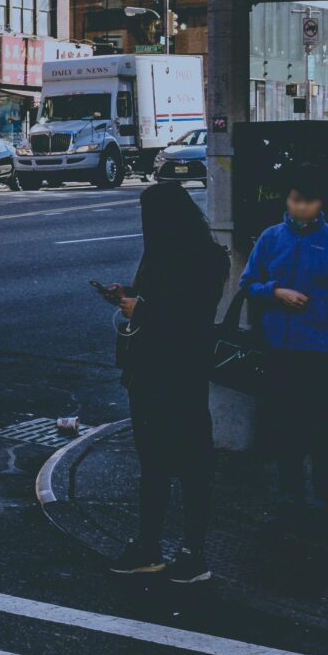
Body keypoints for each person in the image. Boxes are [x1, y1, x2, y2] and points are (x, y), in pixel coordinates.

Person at [102, 182, 227, 583]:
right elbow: (164, 299)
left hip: (180, 371)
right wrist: (131, 296)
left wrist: (144, 308)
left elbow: (191, 315)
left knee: (189, 464)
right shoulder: (165, 253)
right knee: (154, 463)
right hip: (152, 372)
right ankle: (151, 545)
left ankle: (192, 550)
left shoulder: (205, 259)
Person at [239, 175, 328, 533]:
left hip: (319, 352)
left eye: (308, 202)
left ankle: (327, 501)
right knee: (283, 427)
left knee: (320, 430)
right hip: (279, 349)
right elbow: (249, 284)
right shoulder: (270, 237)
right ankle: (290, 497)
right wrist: (276, 292)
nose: (300, 209)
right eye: (295, 200)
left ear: (321, 204)